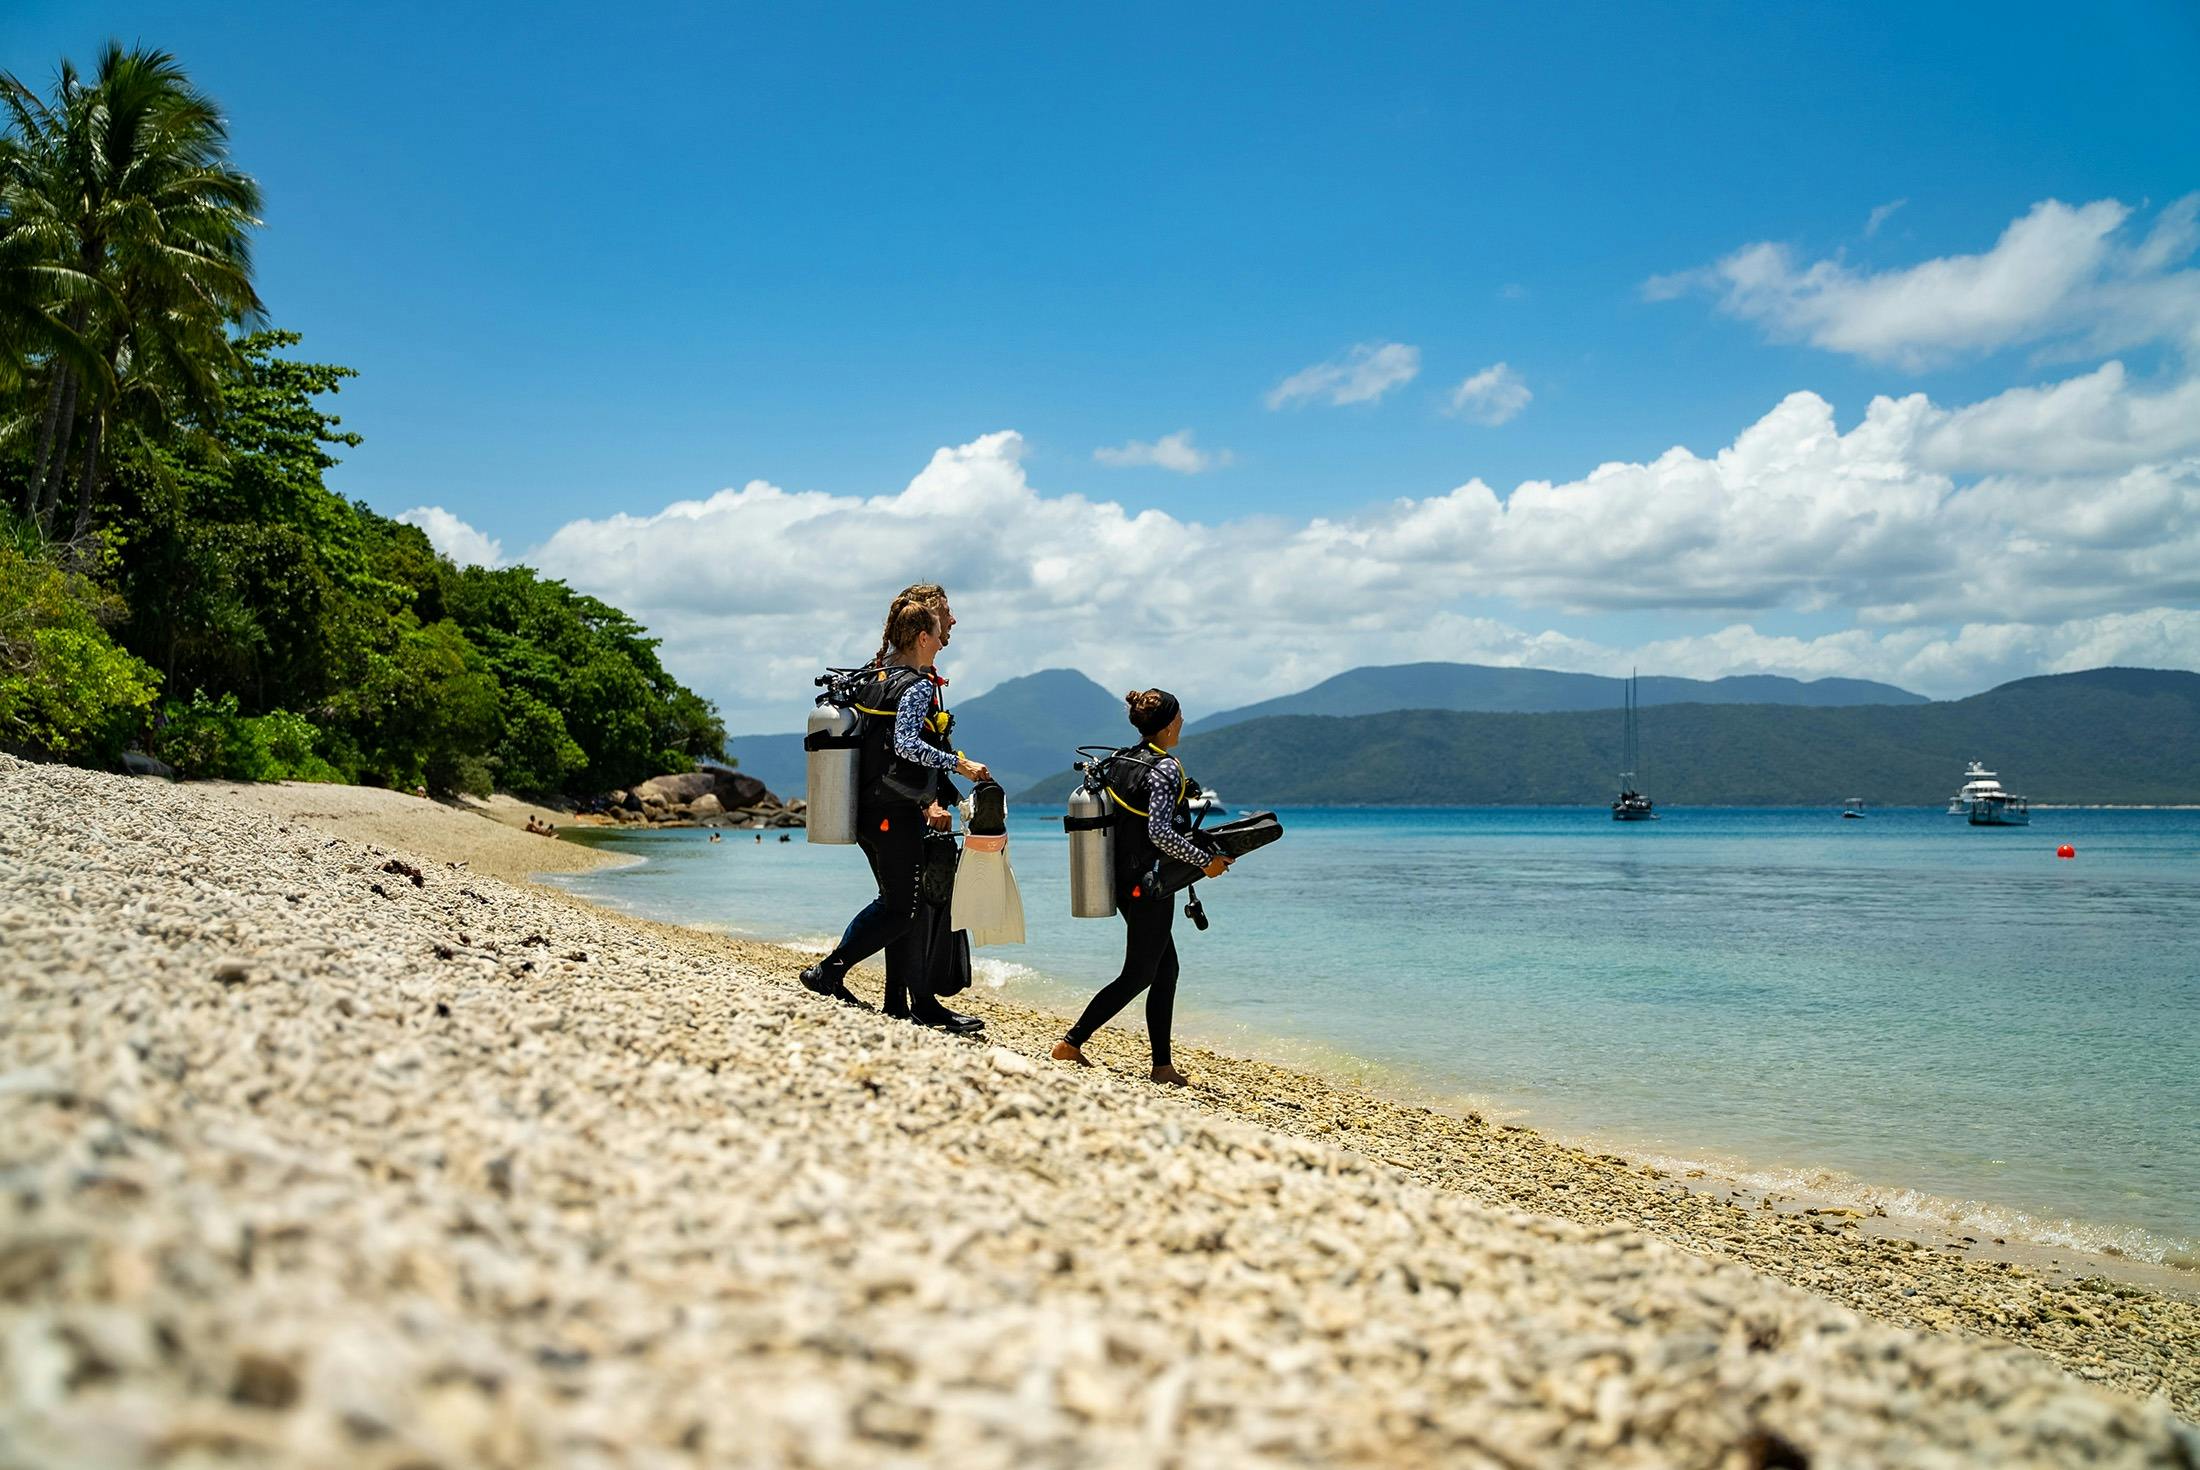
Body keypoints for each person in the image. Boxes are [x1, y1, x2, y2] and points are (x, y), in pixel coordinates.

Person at [800, 592, 992, 1032]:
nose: (948, 629)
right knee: (902, 907)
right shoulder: (915, 683)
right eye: (943, 622)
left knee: (900, 904)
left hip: (870, 806)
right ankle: (830, 971)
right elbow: (905, 745)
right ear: (923, 633)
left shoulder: (878, 677)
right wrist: (957, 768)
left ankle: (898, 1003)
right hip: (895, 809)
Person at [1052, 690, 1229, 1085]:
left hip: (1119, 878)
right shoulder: (1165, 768)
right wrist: (1206, 862)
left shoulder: (1122, 760)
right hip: (1150, 885)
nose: (1182, 721)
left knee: (1165, 969)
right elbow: (1160, 833)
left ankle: (1162, 1066)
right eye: (1179, 716)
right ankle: (1070, 1043)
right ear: (1168, 724)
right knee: (1139, 973)